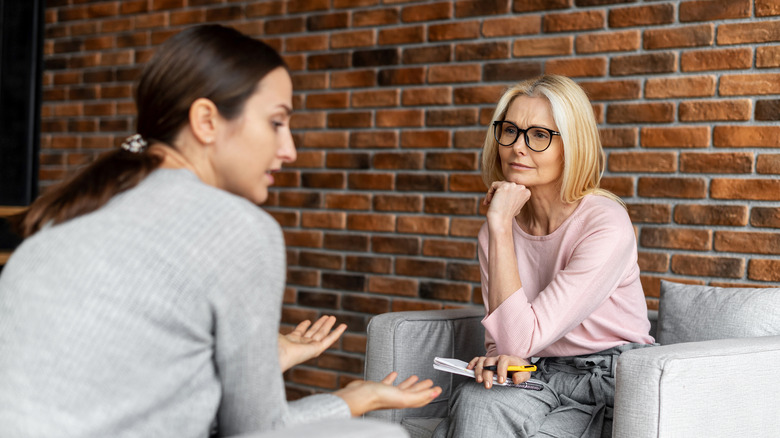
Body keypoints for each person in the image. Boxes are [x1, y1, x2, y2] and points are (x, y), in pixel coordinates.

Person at [0, 24, 440, 437]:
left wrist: (268, 360)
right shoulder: (239, 229)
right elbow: (256, 432)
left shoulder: (75, 211)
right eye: (276, 122)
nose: (288, 150)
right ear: (206, 121)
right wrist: (352, 399)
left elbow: (121, 378)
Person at [432, 75, 654, 438]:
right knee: (476, 401)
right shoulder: (496, 229)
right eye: (510, 131)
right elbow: (506, 341)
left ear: (572, 146)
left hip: (609, 382)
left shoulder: (605, 224)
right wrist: (501, 359)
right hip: (539, 372)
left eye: (539, 135)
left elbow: (521, 338)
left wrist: (500, 224)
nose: (518, 147)